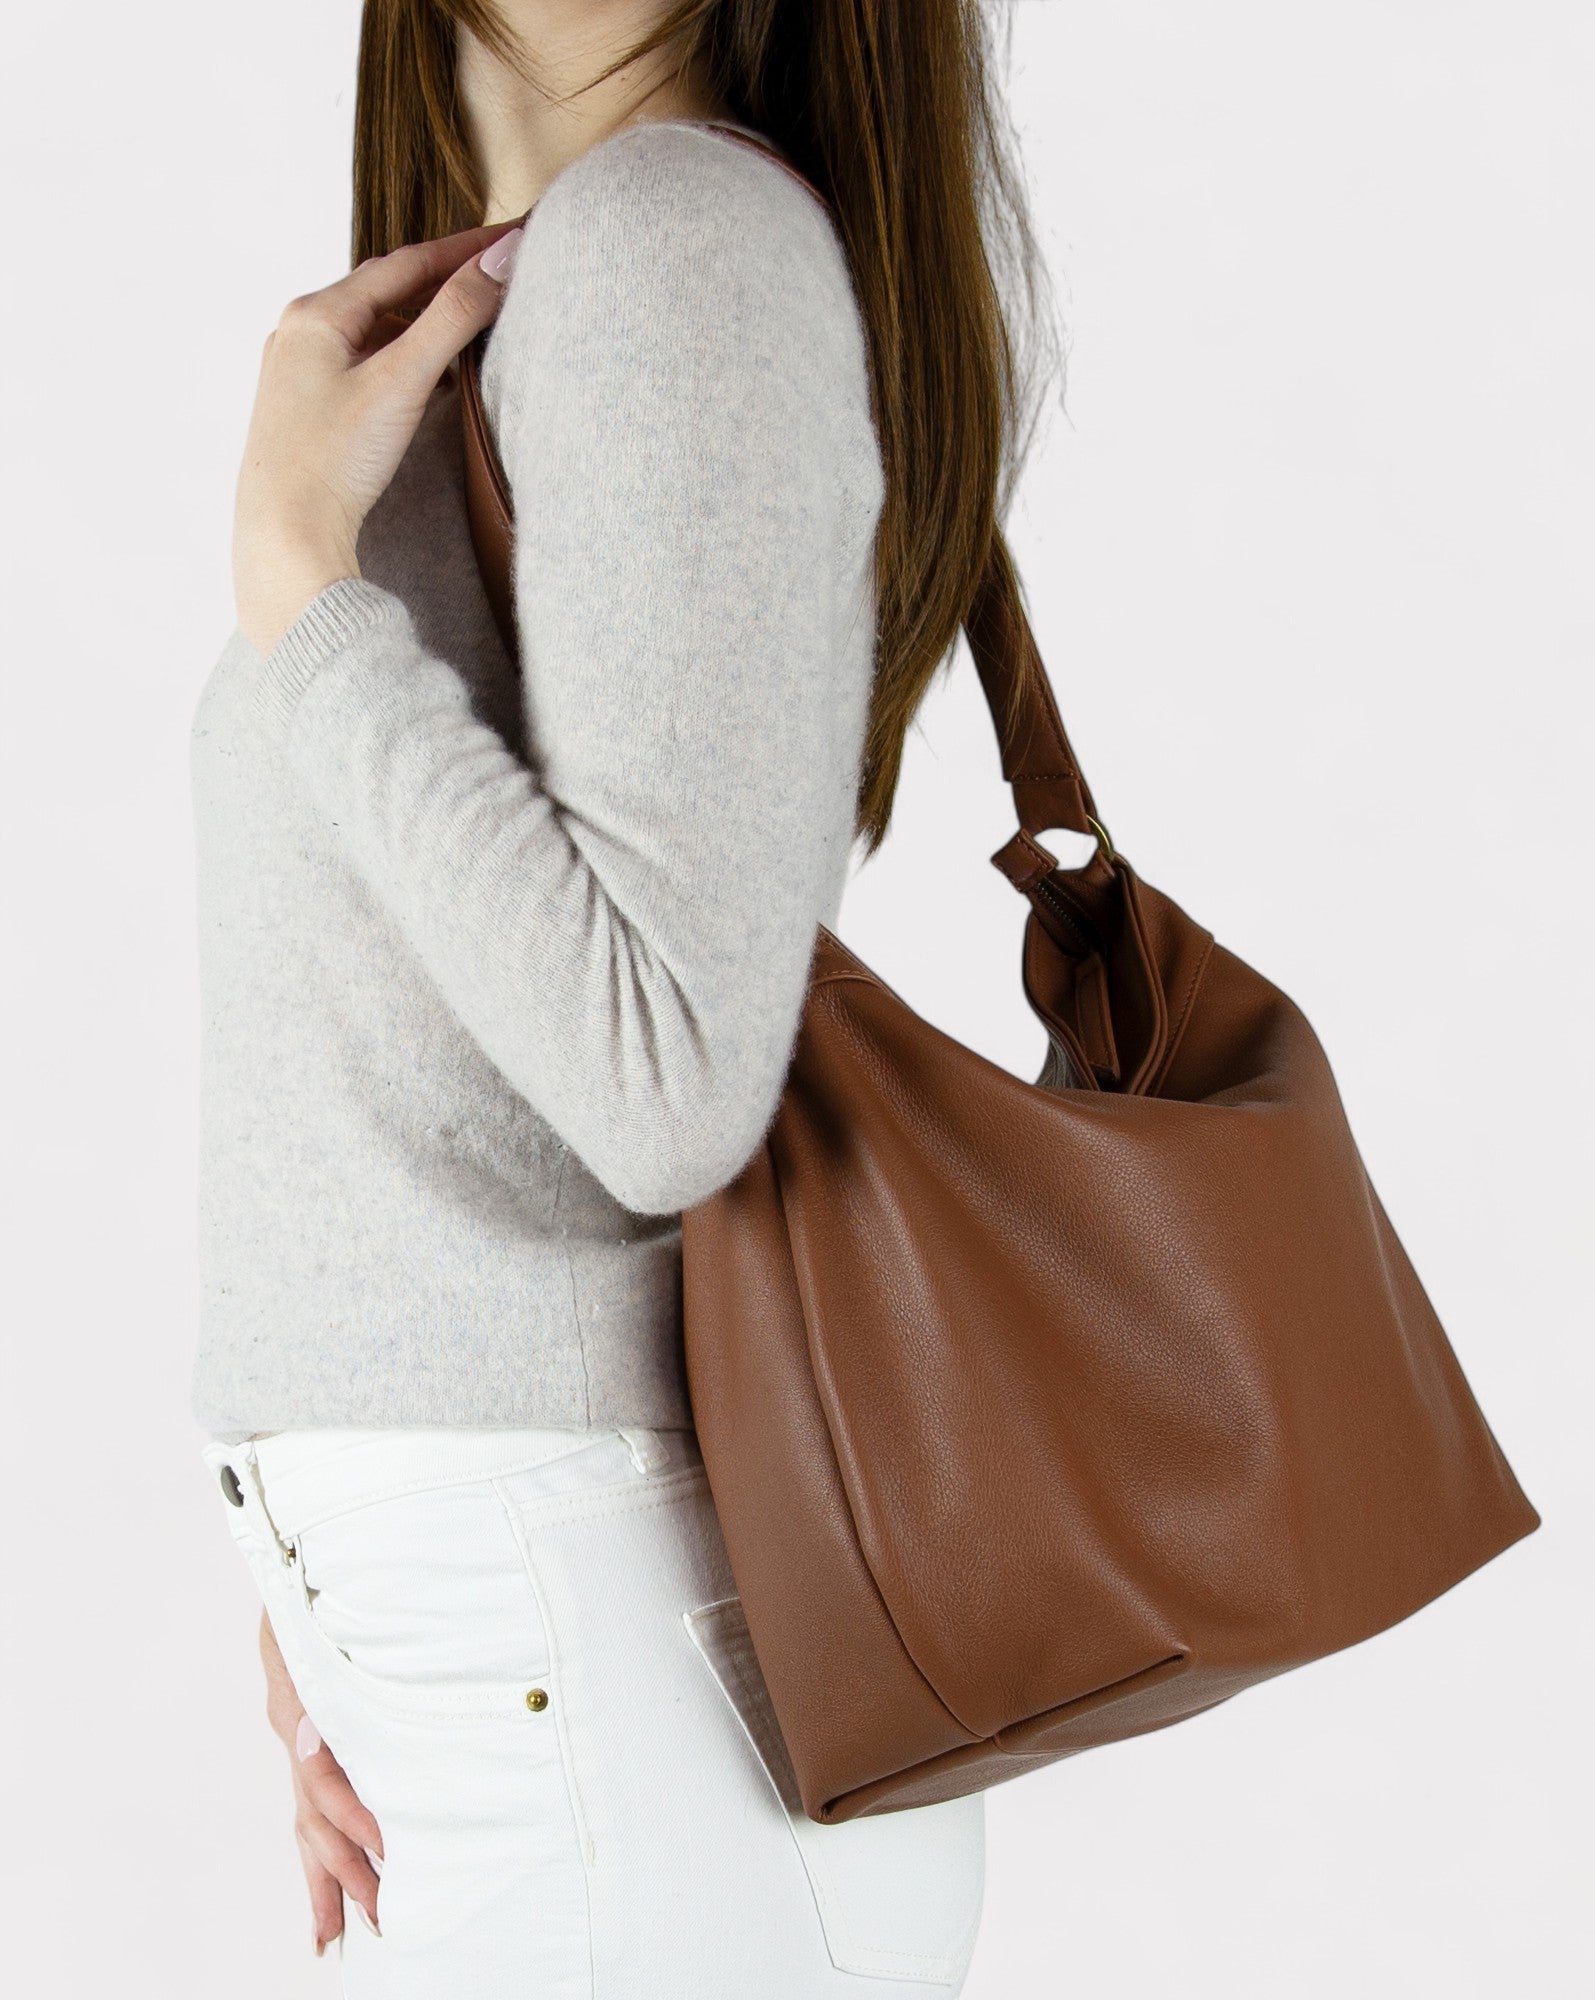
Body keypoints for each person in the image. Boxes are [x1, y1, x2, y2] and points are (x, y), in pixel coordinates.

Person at [192, 1, 1058, 1990]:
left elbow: (664, 1077)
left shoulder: (676, 249)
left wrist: (298, 581)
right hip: (516, 1662)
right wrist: (325, 1577)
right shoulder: (547, 283)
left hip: (588, 1677)